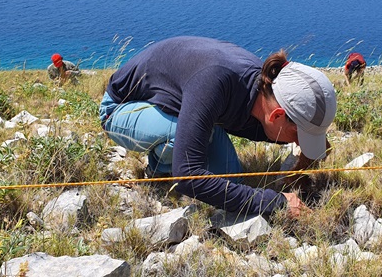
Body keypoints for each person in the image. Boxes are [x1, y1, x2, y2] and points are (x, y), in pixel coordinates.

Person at [99, 36, 336, 217]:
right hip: (121, 109)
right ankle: (158, 167)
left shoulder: (266, 88)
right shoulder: (215, 82)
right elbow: (188, 175)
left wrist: (306, 156)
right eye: (297, 136)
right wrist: (275, 202)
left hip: (179, 106)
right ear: (276, 115)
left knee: (233, 182)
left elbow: (310, 141)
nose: (296, 143)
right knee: (189, 145)